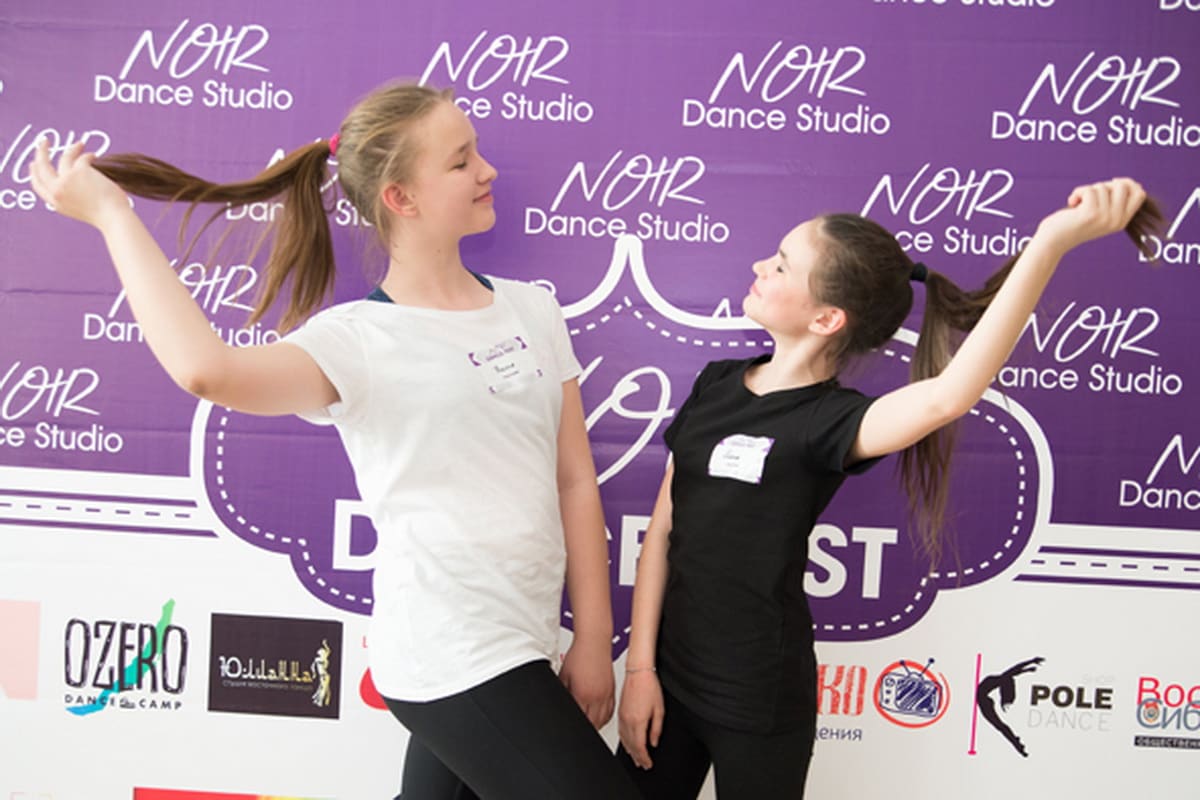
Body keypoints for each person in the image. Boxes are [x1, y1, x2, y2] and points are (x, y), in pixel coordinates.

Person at [30, 81, 641, 800]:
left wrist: (592, 639)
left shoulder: (532, 310)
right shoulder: (357, 341)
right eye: (460, 161)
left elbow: (574, 479)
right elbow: (207, 371)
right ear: (400, 198)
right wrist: (113, 218)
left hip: (526, 640)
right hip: (450, 650)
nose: (488, 170)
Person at [615, 179, 1158, 799]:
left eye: (782, 265)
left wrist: (1049, 244)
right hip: (666, 683)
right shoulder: (716, 383)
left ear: (826, 318)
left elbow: (948, 396)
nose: (760, 266)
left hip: (759, 697)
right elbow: (663, 531)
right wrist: (641, 669)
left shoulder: (832, 422)